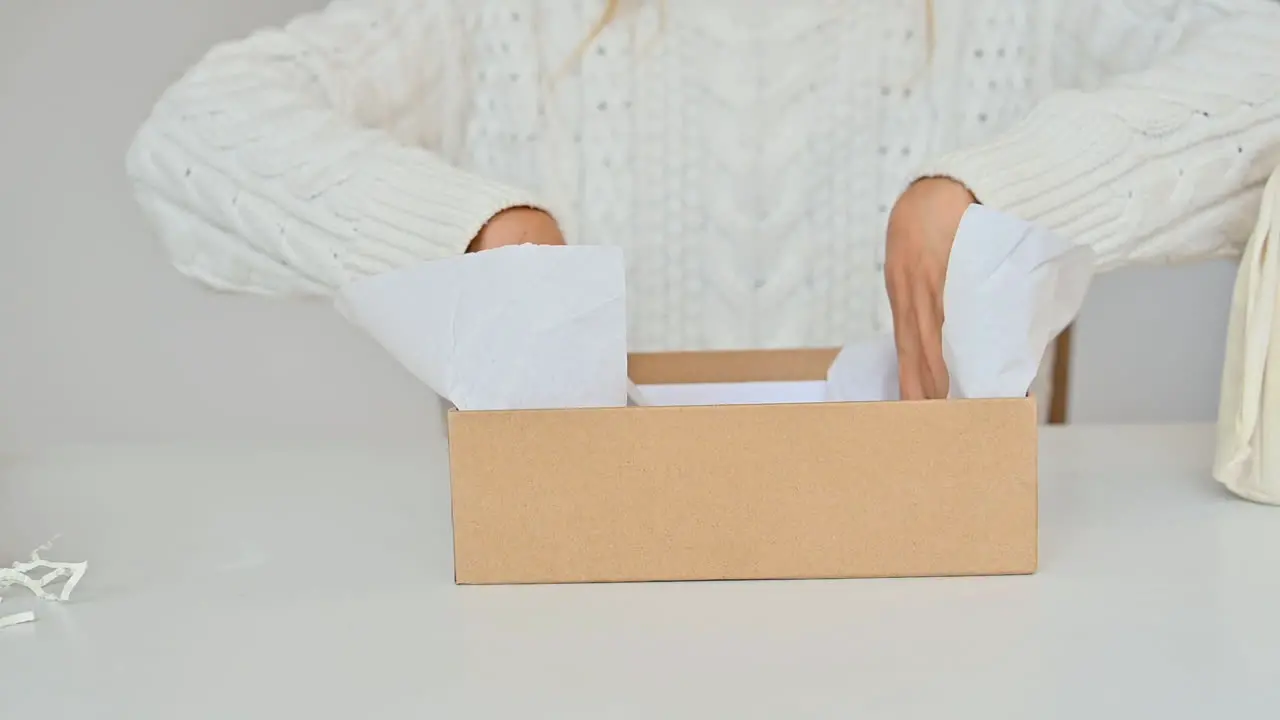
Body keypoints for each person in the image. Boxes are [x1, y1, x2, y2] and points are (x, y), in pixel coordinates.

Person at [125, 0, 1280, 403]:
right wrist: (465, 229)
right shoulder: (502, 16)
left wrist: (1007, 189)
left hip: (940, 615)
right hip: (568, 629)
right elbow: (197, 132)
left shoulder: (1005, 13)